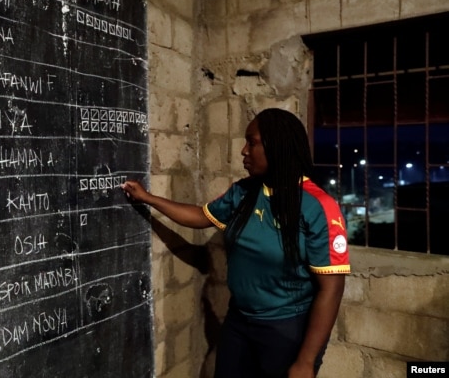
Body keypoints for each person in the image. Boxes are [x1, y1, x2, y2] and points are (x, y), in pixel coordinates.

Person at [121, 108, 350, 378]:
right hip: (239, 322)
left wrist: (306, 361)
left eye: (252, 143)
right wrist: (148, 199)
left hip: (286, 330)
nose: (243, 151)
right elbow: (200, 216)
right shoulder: (244, 191)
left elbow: (331, 289)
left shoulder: (318, 207)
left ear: (277, 146)